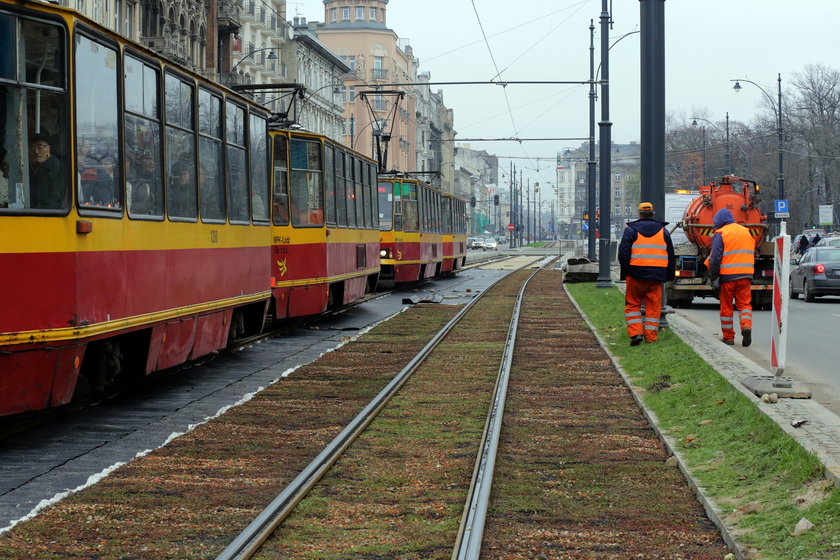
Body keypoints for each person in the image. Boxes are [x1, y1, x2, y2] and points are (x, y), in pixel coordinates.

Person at [618, 202, 676, 346]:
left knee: (632, 305)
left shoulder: (631, 230)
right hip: (656, 276)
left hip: (636, 274)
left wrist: (626, 272)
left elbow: (623, 253)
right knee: (653, 307)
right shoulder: (663, 231)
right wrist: (668, 276)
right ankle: (650, 337)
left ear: (639, 214)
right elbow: (670, 255)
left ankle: (636, 333)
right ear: (652, 214)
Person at [707, 208, 755, 347]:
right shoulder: (745, 232)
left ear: (719, 222)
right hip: (745, 275)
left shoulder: (721, 233)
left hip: (727, 277)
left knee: (726, 308)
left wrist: (714, 277)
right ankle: (746, 327)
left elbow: (715, 258)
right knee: (744, 305)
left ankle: (729, 337)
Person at [28, 132, 63, 209]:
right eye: (32, 148)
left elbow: (53, 202)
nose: (36, 152)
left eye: (40, 147)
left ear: (48, 149)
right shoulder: (29, 169)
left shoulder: (56, 168)